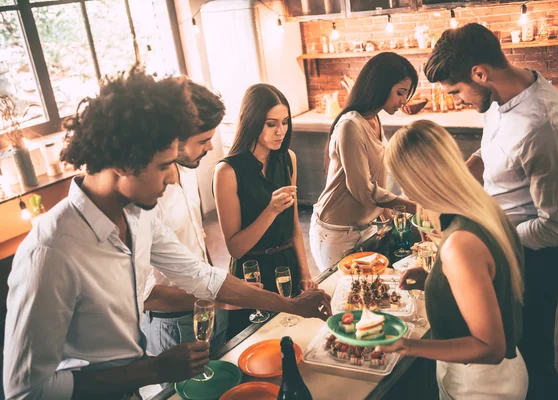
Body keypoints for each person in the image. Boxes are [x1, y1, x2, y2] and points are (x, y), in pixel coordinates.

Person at [3, 70, 331, 400]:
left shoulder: (137, 215)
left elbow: (201, 275)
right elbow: (26, 391)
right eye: (164, 166)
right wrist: (154, 370)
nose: (172, 178)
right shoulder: (50, 251)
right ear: (123, 164)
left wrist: (290, 304)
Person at [424, 23, 558, 400]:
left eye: (457, 90)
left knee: (534, 358)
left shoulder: (544, 126)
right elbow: (498, 152)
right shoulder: (498, 98)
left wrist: (492, 239)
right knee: (507, 353)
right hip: (503, 248)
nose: (459, 99)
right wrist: (469, 171)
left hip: (534, 261)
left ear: (479, 73)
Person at [379, 119, 528, 399]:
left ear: (416, 179)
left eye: (401, 180)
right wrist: (435, 282)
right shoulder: (485, 208)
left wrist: (406, 346)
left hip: (480, 385)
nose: (404, 192)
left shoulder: (459, 244)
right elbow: (490, 283)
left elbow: (490, 347)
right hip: (494, 375)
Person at [213, 83, 317, 338]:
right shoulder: (227, 172)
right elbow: (236, 248)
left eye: (285, 122)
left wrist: (305, 273)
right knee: (256, 348)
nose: (280, 131)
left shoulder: (287, 158)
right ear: (252, 121)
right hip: (252, 276)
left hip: (287, 268)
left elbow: (293, 226)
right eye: (271, 124)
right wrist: (270, 211)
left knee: (298, 340)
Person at [141, 81, 230, 357]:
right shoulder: (147, 195)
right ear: (173, 139)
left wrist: (216, 290)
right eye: (203, 140)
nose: (211, 146)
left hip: (209, 304)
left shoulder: (188, 169)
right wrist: (220, 298)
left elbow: (198, 239)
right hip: (174, 323)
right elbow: (147, 296)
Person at [309, 52, 418, 272]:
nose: (403, 101)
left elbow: (377, 178)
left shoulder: (374, 119)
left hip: (365, 228)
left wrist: (389, 221)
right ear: (380, 86)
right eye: (400, 93)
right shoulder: (351, 125)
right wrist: (414, 207)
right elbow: (363, 190)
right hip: (337, 233)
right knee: (344, 299)